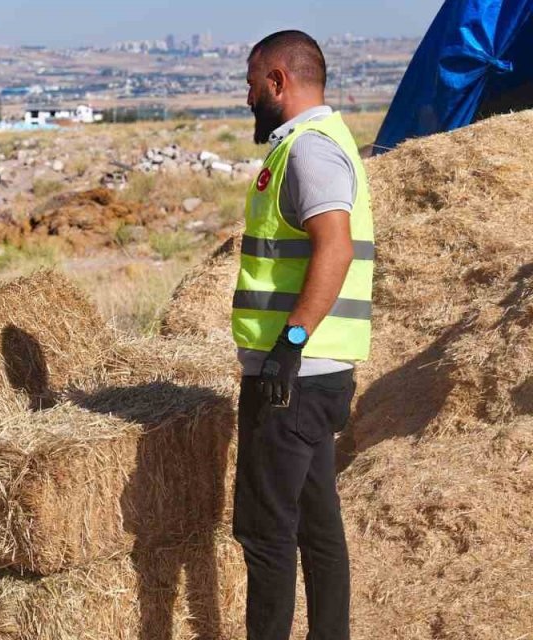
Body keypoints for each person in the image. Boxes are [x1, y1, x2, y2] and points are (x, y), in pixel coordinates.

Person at [231, 30, 375, 640]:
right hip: (314, 378)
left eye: (251, 82)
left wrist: (288, 346)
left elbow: (334, 248)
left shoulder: (310, 151)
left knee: (266, 536)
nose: (247, 96)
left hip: (292, 377)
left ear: (279, 82)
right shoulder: (318, 143)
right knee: (318, 530)